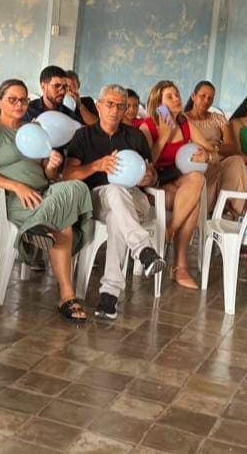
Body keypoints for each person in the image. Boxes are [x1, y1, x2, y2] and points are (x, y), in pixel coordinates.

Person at [0, 79, 93, 322]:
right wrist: (18, 186)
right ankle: (67, 296)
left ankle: (37, 226)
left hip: (43, 194)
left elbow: (49, 176)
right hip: (12, 200)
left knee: (77, 186)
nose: (19, 104)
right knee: (64, 222)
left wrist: (52, 165)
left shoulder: (34, 129)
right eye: (12, 100)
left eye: (24, 100)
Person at [63, 84, 165, 320]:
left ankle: (115, 288)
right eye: (109, 104)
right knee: (114, 198)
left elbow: (152, 175)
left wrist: (150, 177)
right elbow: (68, 175)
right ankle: (138, 255)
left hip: (134, 200)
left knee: (117, 208)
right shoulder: (83, 136)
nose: (115, 110)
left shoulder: (135, 137)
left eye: (121, 106)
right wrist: (96, 165)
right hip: (98, 200)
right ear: (98, 106)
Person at [136, 80, 206, 289]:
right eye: (170, 96)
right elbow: (145, 164)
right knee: (192, 203)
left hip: (178, 180)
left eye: (177, 94)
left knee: (198, 178)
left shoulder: (185, 123)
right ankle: (180, 268)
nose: (177, 99)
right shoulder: (147, 126)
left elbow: (210, 148)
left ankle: (170, 230)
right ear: (158, 103)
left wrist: (206, 154)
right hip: (155, 185)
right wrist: (164, 137)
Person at [182, 81, 247, 216]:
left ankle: (232, 212)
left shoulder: (218, 119)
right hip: (195, 163)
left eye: (210, 98)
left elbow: (232, 147)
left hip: (217, 160)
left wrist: (214, 149)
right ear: (193, 96)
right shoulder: (183, 119)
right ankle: (208, 207)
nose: (206, 101)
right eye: (203, 96)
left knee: (237, 161)